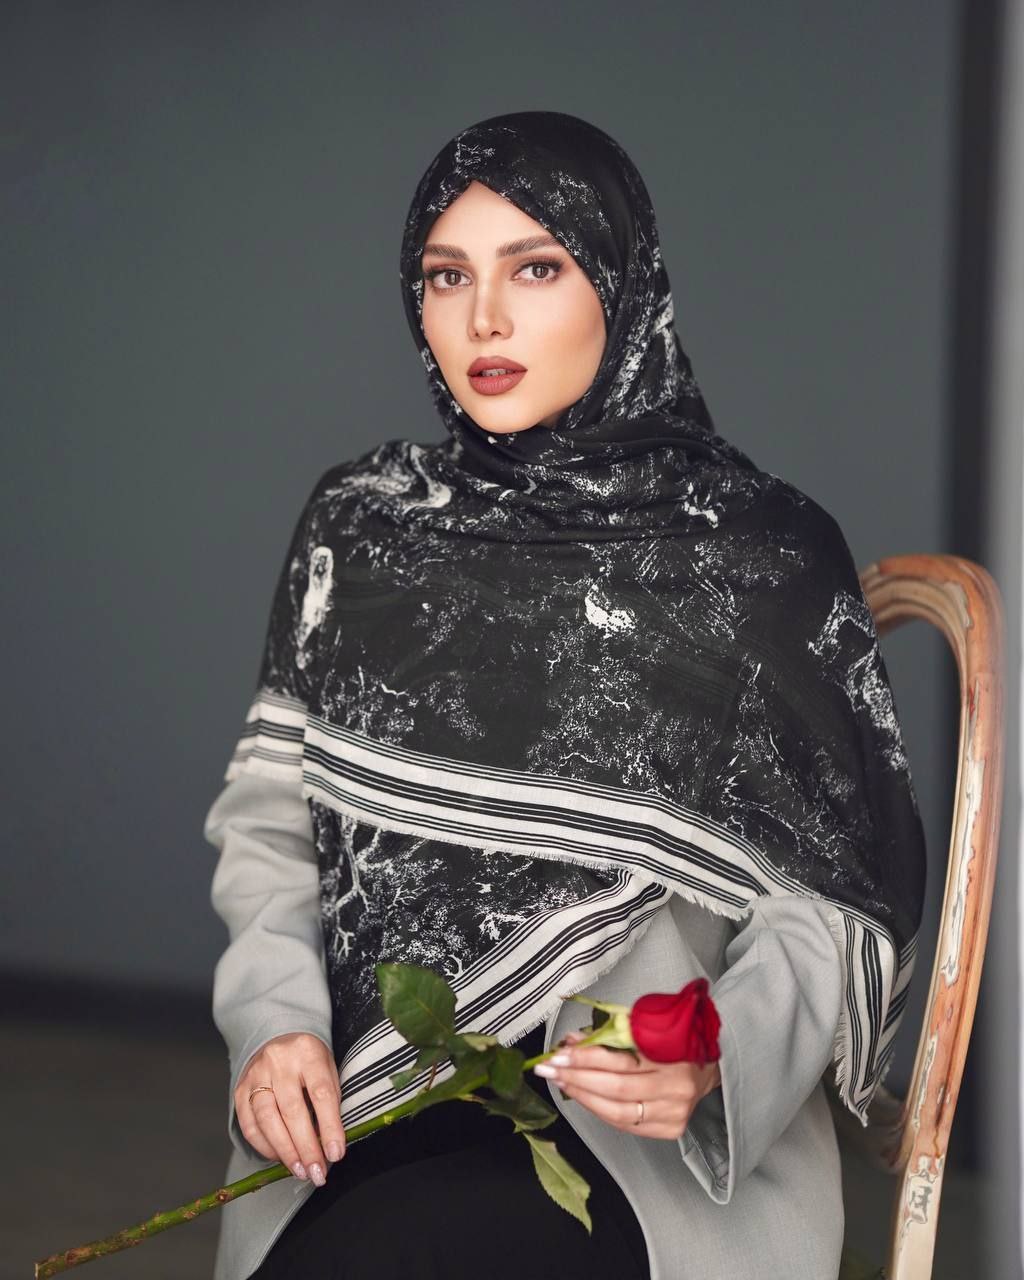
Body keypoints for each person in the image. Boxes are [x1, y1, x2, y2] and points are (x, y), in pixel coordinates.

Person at [203, 111, 927, 1280]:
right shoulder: (362, 528)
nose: (483, 318)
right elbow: (271, 827)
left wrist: (715, 1057)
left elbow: (833, 904)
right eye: (447, 276)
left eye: (535, 268)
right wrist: (274, 1022)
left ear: (620, 286)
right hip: (368, 1091)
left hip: (640, 1136)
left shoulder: (754, 554)